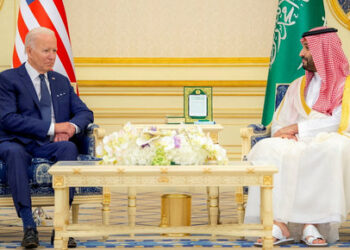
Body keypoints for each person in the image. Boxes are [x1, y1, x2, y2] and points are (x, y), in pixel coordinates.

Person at [245, 26, 350, 247]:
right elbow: (280, 122)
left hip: (331, 139)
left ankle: (312, 224)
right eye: (303, 48)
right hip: (299, 141)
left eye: (307, 49)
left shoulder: (347, 86)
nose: (301, 54)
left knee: (329, 148)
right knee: (269, 148)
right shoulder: (298, 85)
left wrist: (298, 130)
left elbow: (340, 122)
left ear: (324, 52)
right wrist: (287, 134)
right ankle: (278, 223)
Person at [0, 27, 93, 248]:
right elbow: (8, 119)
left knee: (69, 149)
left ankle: (60, 227)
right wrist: (53, 127)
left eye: (54, 50)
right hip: (16, 141)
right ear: (29, 51)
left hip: (49, 145)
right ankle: (29, 226)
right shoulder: (8, 79)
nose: (52, 56)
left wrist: (70, 127)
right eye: (46, 51)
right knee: (14, 154)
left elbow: (85, 113)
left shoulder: (60, 81)